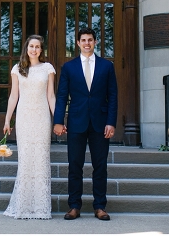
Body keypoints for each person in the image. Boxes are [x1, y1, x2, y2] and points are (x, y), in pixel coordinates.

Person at [53, 27, 118, 221]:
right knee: (75, 166)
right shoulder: (69, 67)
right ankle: (74, 206)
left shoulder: (107, 66)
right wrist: (58, 121)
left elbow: (113, 96)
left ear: (95, 42)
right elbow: (62, 95)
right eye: (84, 40)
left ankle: (100, 206)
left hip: (100, 123)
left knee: (100, 166)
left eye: (90, 40)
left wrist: (111, 122)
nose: (87, 43)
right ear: (78, 43)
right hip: (76, 122)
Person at [2, 34, 56, 219]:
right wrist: (8, 119)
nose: (34, 49)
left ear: (41, 50)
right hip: (24, 118)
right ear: (26, 48)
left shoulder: (48, 68)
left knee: (41, 160)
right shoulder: (18, 69)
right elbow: (13, 96)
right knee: (25, 160)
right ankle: (23, 207)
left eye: (38, 46)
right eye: (31, 46)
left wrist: (57, 119)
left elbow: (51, 97)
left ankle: (40, 208)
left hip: (41, 118)